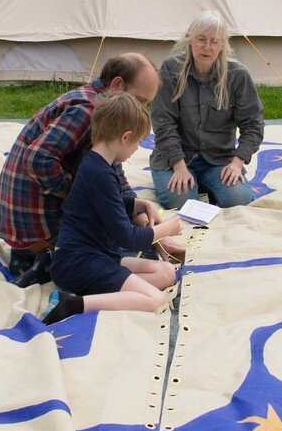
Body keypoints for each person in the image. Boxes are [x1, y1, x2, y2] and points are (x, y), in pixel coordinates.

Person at [0, 53, 171, 287]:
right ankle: (42, 254)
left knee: (131, 237)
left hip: (24, 223)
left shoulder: (104, 109)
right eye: (140, 101)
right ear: (117, 85)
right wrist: (78, 193)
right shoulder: (88, 110)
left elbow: (115, 176)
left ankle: (31, 253)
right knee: (121, 252)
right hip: (35, 222)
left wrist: (144, 223)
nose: (142, 110)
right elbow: (38, 160)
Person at [45, 93, 183, 324]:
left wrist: (140, 204)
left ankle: (109, 293)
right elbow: (128, 237)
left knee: (167, 273)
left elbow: (107, 205)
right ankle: (72, 304)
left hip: (96, 256)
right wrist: (166, 229)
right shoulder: (100, 174)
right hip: (79, 263)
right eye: (138, 142)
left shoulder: (95, 163)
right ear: (125, 137)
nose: (136, 149)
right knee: (157, 300)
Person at [150, 11, 265, 211]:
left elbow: (253, 124)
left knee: (238, 200)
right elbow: (163, 121)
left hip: (218, 159)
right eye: (201, 39)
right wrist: (178, 166)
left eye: (214, 42)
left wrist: (237, 163)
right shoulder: (171, 69)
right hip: (176, 158)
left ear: (223, 46)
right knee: (179, 202)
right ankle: (189, 181)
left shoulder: (237, 75)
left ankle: (204, 182)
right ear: (190, 40)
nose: (207, 47)